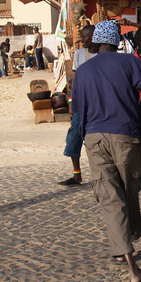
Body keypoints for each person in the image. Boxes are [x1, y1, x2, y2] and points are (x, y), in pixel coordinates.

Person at [72, 20, 141, 282]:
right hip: (125, 137)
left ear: (97, 42)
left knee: (111, 199)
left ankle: (125, 241)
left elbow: (76, 112)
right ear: (118, 42)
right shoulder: (130, 62)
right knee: (128, 191)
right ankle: (132, 265)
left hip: (94, 139)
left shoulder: (84, 70)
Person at [58, 25, 97, 186]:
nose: (81, 40)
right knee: (74, 135)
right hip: (81, 102)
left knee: (95, 138)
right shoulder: (80, 54)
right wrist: (70, 102)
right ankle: (76, 174)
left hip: (98, 102)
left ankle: (99, 174)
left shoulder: (104, 53)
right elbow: (74, 81)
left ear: (94, 36)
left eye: (84, 37)